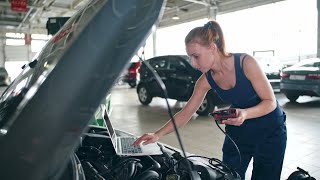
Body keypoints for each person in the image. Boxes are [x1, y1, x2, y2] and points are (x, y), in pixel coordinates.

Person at [133, 20, 287, 180]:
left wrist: (245, 113)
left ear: (213, 48)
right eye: (190, 57)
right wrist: (157, 135)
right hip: (239, 130)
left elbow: (270, 102)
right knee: (228, 176)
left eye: (196, 56)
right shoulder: (205, 80)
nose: (193, 63)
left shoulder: (245, 63)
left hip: (269, 130)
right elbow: (186, 113)